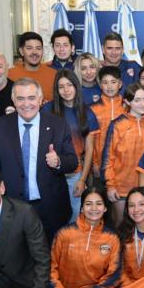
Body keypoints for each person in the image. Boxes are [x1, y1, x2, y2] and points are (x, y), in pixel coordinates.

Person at [0, 78, 78, 240]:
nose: (26, 104)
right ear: (13, 101)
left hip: (51, 207)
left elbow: (72, 161)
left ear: (41, 100)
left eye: (31, 98)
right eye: (20, 99)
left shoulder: (58, 125)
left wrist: (58, 162)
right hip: (12, 207)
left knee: (51, 253)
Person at [50, 183, 121, 288]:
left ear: (105, 208)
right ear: (82, 208)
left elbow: (114, 275)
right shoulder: (64, 233)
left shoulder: (112, 238)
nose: (94, 208)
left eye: (99, 204)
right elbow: (51, 267)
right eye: (88, 204)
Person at [43, 70, 101, 222]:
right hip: (51, 173)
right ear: (56, 90)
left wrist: (82, 180)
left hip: (75, 174)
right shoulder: (47, 110)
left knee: (75, 215)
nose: (66, 90)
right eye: (61, 86)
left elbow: (89, 149)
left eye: (69, 85)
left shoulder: (87, 113)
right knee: (53, 214)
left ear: (76, 86)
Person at [102, 83, 144, 225]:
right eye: (137, 100)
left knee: (142, 225)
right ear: (127, 102)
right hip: (121, 187)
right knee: (121, 226)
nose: (143, 103)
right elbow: (108, 158)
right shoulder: (117, 124)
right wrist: (110, 185)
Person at [91, 66, 125, 176]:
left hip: (124, 165)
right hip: (101, 164)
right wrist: (94, 162)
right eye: (105, 82)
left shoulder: (128, 107)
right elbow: (90, 139)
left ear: (120, 84)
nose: (109, 86)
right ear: (100, 85)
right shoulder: (93, 109)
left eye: (113, 82)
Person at [8, 32, 57, 102]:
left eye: (38, 48)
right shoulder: (10, 74)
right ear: (21, 51)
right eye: (29, 48)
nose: (34, 52)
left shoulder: (54, 74)